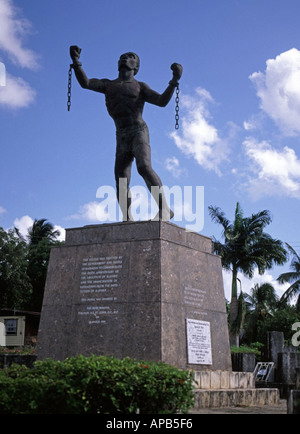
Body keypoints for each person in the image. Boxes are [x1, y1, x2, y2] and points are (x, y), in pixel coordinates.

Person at [70, 46, 183, 221]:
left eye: (130, 57)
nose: (125, 59)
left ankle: (165, 209)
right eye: (122, 57)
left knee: (144, 167)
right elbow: (85, 83)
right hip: (121, 135)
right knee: (121, 179)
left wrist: (174, 81)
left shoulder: (140, 87)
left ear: (136, 66)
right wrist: (76, 62)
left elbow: (161, 101)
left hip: (138, 131)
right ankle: (127, 217)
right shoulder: (109, 85)